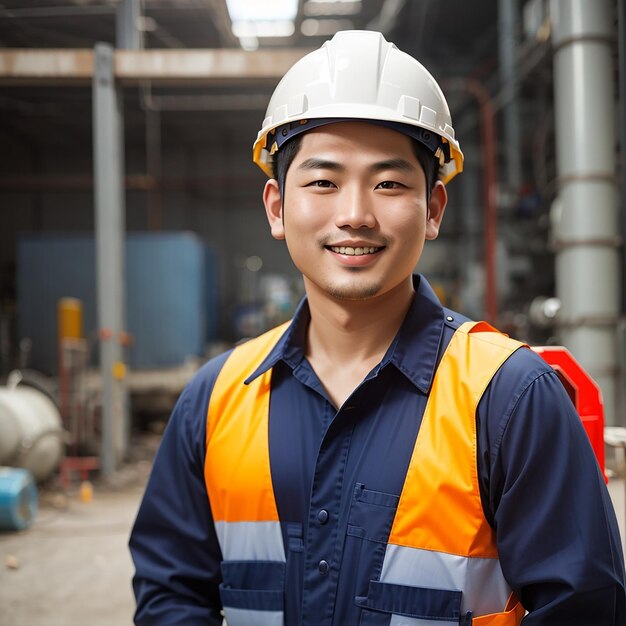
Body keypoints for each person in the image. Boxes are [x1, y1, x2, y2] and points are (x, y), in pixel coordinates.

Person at [129, 30, 626, 625]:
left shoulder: (509, 399)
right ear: (277, 208)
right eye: (322, 181)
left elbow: (584, 608)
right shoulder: (214, 401)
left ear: (434, 209)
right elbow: (170, 596)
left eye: (389, 183)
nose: (355, 214)